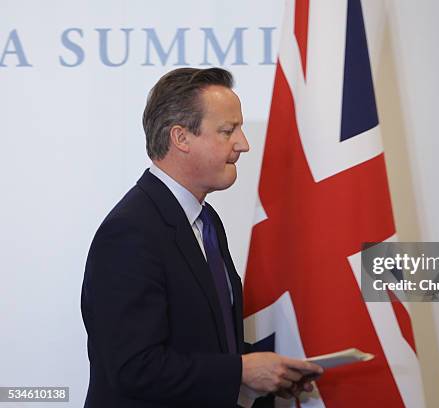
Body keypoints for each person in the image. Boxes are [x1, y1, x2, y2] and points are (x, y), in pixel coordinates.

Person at [81, 67, 323, 408]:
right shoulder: (130, 233)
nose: (243, 144)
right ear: (181, 138)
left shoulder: (206, 220)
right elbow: (134, 367)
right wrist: (241, 371)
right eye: (228, 131)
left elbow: (209, 343)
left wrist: (271, 373)